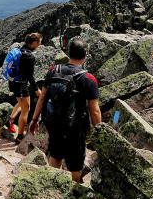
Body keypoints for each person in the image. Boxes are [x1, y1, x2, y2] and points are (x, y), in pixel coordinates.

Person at [28, 39, 100, 182]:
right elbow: (95, 111)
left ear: (68, 53)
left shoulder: (53, 71)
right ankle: (74, 191)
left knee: (55, 156)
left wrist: (34, 120)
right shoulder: (89, 79)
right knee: (76, 165)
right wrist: (99, 132)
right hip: (75, 129)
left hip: (54, 124)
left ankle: (53, 185)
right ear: (85, 55)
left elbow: (42, 98)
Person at [3, 33, 44, 143]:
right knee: (26, 109)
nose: (40, 44)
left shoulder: (20, 49)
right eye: (39, 42)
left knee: (21, 103)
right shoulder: (29, 56)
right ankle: (20, 136)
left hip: (13, 82)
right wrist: (36, 89)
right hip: (21, 85)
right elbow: (30, 76)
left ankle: (10, 121)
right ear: (33, 43)